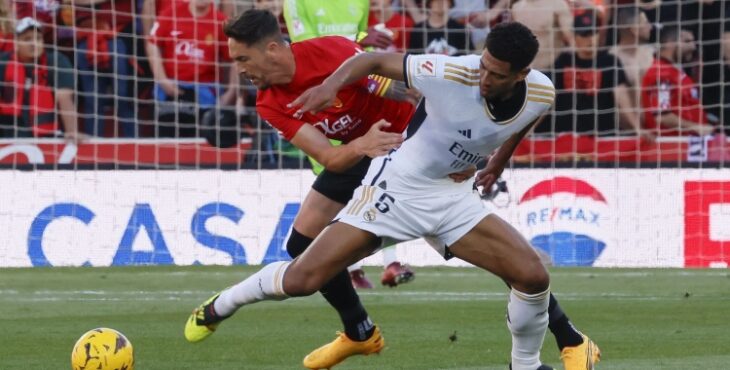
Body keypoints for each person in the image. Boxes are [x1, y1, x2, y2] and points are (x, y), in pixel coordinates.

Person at [185, 13, 600, 370]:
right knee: (302, 277)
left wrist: (498, 161)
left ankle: (527, 363)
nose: (484, 78)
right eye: (483, 66)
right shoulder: (453, 71)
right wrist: (331, 90)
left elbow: (522, 118)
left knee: (531, 275)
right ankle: (224, 304)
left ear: (521, 74)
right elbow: (370, 60)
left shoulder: (542, 90)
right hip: (395, 184)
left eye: (496, 74)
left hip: (450, 194)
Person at [281, 0, 411, 288]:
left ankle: (388, 262)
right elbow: (306, 47)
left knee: (378, 182)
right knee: (337, 188)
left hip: (359, 93)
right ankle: (351, 268)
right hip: (318, 99)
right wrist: (360, 38)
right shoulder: (295, 2)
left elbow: (359, 54)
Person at [535, 9, 641, 137]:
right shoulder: (563, 61)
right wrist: (528, 130)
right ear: (575, 37)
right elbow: (548, 98)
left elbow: (621, 95)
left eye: (593, 33)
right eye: (585, 35)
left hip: (600, 134)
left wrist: (637, 127)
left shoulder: (609, 61)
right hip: (565, 136)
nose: (590, 39)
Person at [146, 0, 236, 137]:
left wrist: (231, 91)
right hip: (171, 90)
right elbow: (152, 43)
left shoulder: (221, 22)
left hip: (205, 93)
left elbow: (235, 59)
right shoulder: (171, 14)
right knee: (167, 143)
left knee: (202, 145)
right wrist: (162, 80)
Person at [0, 17, 82, 140]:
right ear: (16, 43)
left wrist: (72, 131)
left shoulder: (57, 60)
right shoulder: (3, 62)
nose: (34, 44)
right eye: (27, 39)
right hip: (9, 134)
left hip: (49, 137)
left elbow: (64, 96)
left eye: (38, 38)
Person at [641, 26, 717, 136]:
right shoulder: (661, 73)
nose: (693, 47)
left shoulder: (675, 71)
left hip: (689, 142)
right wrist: (696, 127)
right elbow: (662, 116)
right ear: (670, 43)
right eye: (687, 41)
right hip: (673, 144)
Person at [510, 0, 573, 72]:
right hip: (525, 66)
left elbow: (570, 37)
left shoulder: (557, 4)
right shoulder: (517, 7)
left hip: (552, 65)